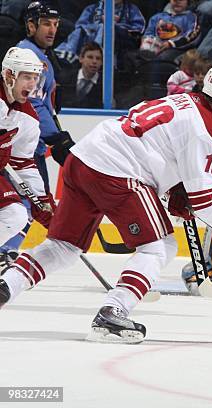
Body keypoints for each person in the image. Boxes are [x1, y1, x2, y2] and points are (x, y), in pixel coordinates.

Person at [0, 62, 212, 344]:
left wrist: (176, 188)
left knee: (64, 245)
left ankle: (7, 285)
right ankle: (113, 311)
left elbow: (164, 148)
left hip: (83, 158)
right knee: (160, 246)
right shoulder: (206, 130)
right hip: (117, 172)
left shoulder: (181, 101)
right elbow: (207, 201)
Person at [3, 1, 74, 265]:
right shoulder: (25, 55)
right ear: (31, 25)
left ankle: (6, 250)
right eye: (46, 24)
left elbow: (40, 104)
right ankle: (6, 250)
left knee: (30, 202)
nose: (52, 30)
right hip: (21, 140)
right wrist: (56, 136)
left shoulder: (40, 56)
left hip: (28, 143)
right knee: (25, 202)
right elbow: (31, 104)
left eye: (55, 25)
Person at [0, 48, 54, 259]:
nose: (32, 84)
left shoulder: (28, 117)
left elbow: (22, 163)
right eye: (26, 77)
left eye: (35, 78)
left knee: (14, 214)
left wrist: (42, 200)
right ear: (9, 75)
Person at [54, 0, 145, 65]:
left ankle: (99, 54)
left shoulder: (130, 9)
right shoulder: (92, 9)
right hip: (91, 36)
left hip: (119, 38)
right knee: (79, 31)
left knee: (105, 26)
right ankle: (66, 52)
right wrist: (93, 28)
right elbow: (80, 25)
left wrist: (115, 25)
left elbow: (138, 28)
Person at [61, 42, 103, 108]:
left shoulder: (104, 85)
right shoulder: (65, 78)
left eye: (98, 58)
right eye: (90, 57)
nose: (94, 61)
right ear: (81, 58)